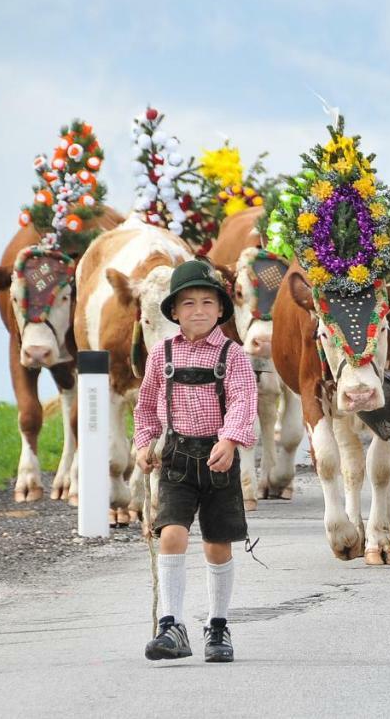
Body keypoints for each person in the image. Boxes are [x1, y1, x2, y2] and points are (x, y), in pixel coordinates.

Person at [134, 259, 258, 662]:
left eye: (208, 302)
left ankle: (218, 628)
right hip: (176, 459)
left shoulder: (234, 354)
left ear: (222, 309)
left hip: (219, 458)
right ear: (173, 311)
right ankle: (171, 625)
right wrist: (143, 443)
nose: (199, 310)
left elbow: (243, 399)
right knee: (171, 533)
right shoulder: (161, 354)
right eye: (188, 303)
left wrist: (230, 438)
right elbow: (147, 406)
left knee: (217, 543)